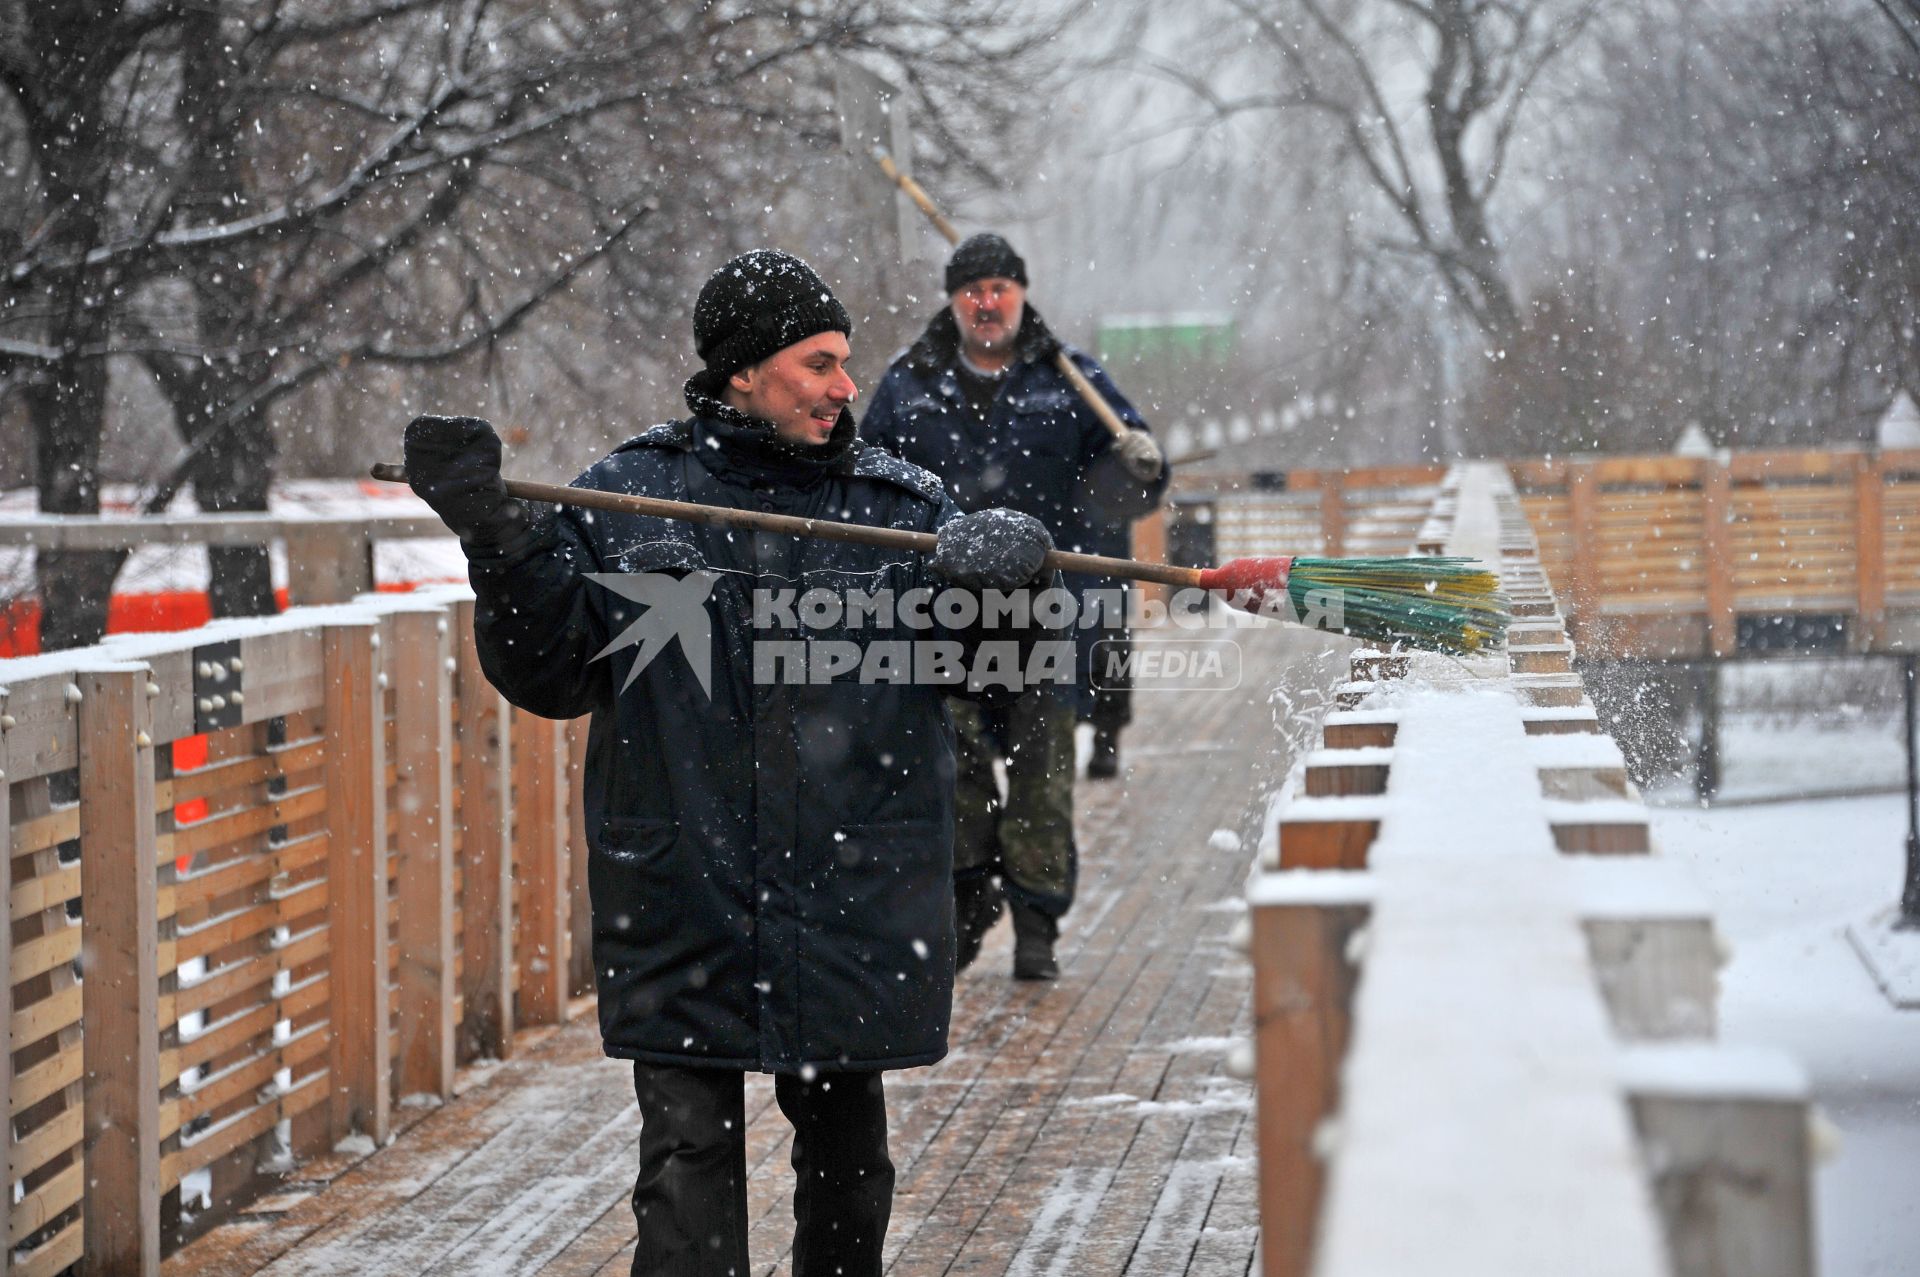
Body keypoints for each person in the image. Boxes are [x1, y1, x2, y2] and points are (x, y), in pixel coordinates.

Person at [400, 249, 1058, 1277]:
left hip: (855, 889)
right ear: (743, 369)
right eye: (820, 363)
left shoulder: (901, 511)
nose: (847, 386)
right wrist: (499, 539)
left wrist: (1011, 591)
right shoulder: (628, 501)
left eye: (847, 362)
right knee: (684, 1165)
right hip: (681, 886)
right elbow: (553, 670)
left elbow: (1001, 689)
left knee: (850, 1167)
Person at [859, 232, 1169, 981]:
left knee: (1041, 778)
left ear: (1022, 295)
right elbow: (867, 481)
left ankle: (1037, 924)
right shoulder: (909, 386)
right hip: (943, 621)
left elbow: (1128, 475)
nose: (987, 302)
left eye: (1001, 287)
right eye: (973, 289)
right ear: (953, 300)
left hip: (1045, 622)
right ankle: (968, 899)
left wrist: (1139, 468)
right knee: (950, 773)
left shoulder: (1069, 381)